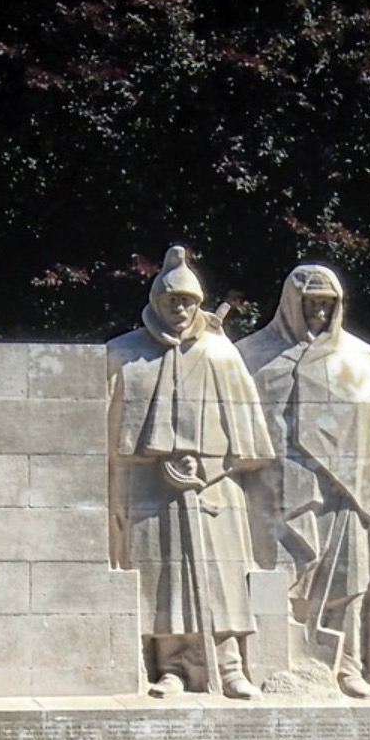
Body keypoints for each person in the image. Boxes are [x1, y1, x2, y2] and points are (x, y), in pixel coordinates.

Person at [237, 263, 370, 698]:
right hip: (282, 488)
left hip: (351, 490)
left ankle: (350, 666)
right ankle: (277, 664)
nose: (319, 311)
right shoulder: (252, 355)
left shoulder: (363, 357)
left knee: (350, 581)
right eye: (311, 303)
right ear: (291, 303)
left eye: (328, 303)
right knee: (280, 575)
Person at [107, 245, 275, 699]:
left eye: (188, 301)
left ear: (199, 304)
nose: (180, 309)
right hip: (151, 488)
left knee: (223, 578)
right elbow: (110, 437)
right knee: (163, 579)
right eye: (171, 301)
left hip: (216, 487)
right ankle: (173, 667)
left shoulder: (221, 354)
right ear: (155, 304)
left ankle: (229, 664)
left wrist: (211, 467)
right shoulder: (125, 355)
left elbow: (249, 437)